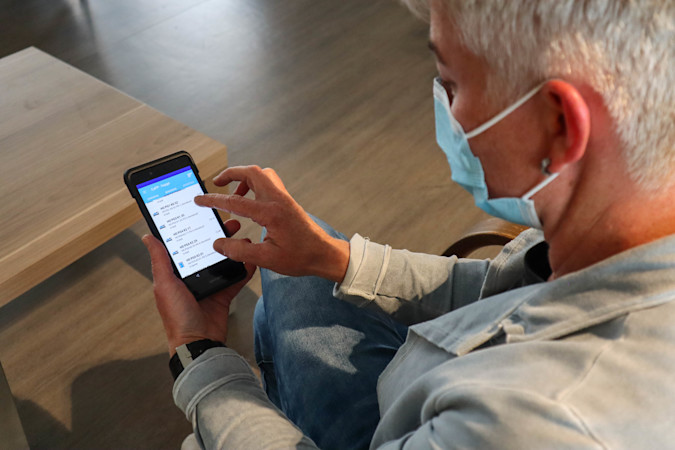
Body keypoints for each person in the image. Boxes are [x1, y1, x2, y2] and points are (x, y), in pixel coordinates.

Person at [143, 0, 675, 448]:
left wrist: (200, 355)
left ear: (560, 124)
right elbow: (505, 291)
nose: (444, 108)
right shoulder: (629, 215)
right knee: (291, 265)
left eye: (451, 83)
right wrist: (332, 258)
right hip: (432, 385)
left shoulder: (530, 421)